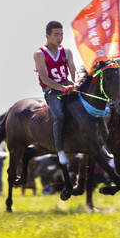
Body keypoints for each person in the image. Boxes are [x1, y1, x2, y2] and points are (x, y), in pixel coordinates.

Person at [33, 21, 77, 166]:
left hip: (68, 87)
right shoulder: (39, 54)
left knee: (90, 105)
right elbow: (45, 79)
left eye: (62, 34)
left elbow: (73, 70)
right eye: (56, 35)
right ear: (47, 35)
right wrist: (62, 89)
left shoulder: (67, 51)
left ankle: (99, 141)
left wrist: (75, 82)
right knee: (59, 115)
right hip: (52, 91)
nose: (60, 38)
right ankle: (60, 150)